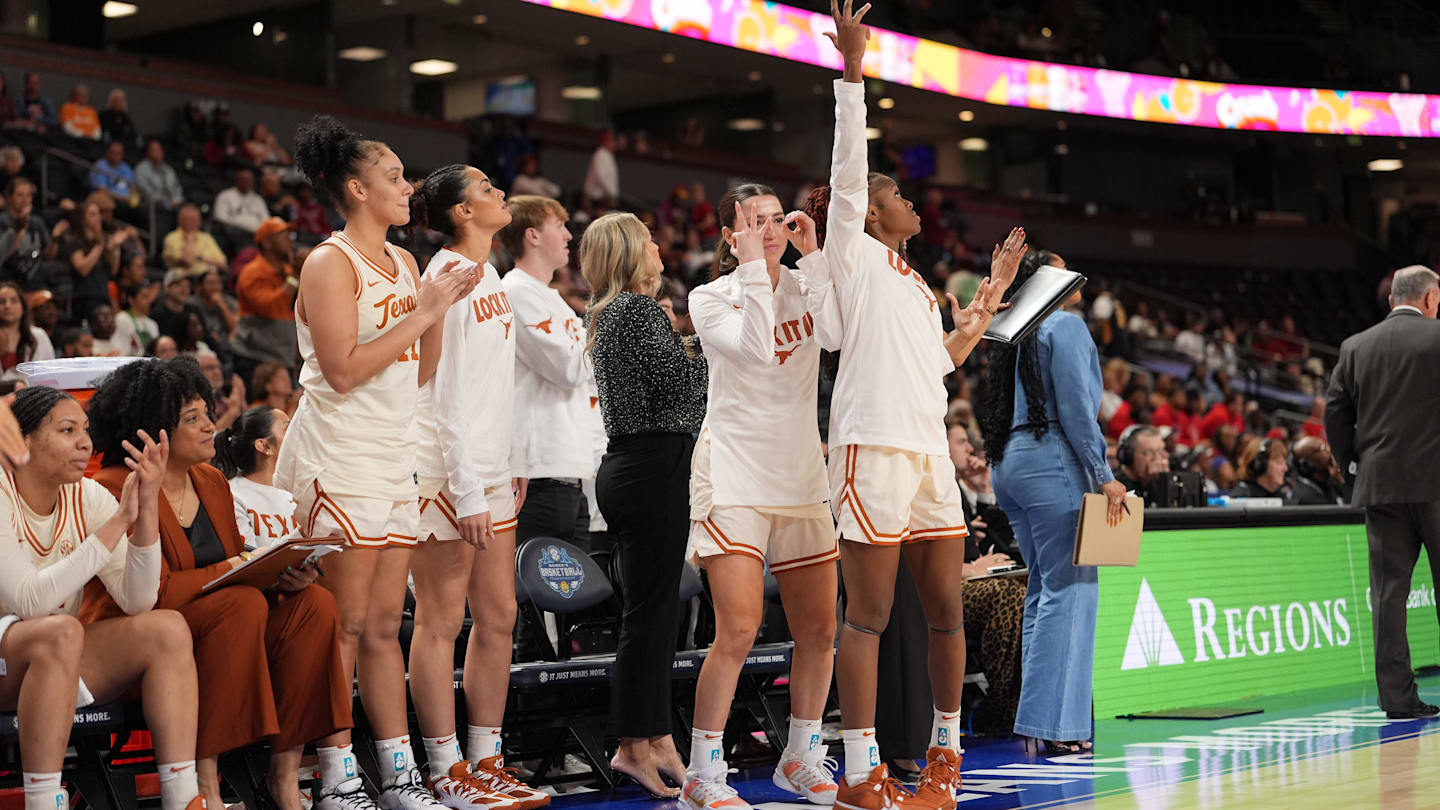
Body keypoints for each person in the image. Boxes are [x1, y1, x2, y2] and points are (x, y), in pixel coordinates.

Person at [795, 4, 1022, 805]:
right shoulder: (849, 252)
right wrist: (852, 78)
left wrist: (987, 302)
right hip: (869, 447)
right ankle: (861, 769)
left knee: (945, 613)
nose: (912, 203)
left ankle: (944, 758)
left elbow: (940, 366)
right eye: (899, 195)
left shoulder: (917, 283)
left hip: (927, 450)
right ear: (869, 213)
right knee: (869, 616)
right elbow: (849, 173)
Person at [273, 114, 476, 809]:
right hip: (339, 457)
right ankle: (335, 774)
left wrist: (439, 312)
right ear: (356, 189)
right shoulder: (328, 262)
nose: (407, 186)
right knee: (345, 624)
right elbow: (342, 370)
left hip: (394, 457)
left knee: (388, 625)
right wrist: (422, 313)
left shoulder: (409, 263)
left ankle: (398, 773)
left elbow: (418, 374)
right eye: (393, 176)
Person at [81, 357, 353, 810]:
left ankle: (284, 778)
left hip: (221, 631)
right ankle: (203, 786)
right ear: (155, 430)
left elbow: (236, 566)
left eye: (208, 412)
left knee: (314, 605)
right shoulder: (113, 487)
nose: (212, 425)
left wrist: (283, 573)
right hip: (138, 647)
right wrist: (236, 568)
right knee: (240, 606)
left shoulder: (210, 480)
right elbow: (155, 596)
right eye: (193, 418)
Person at [678, 185, 840, 810]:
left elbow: (833, 336)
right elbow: (754, 344)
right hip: (735, 473)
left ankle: (799, 755)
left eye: (776, 220)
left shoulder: (804, 283)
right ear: (729, 234)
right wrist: (752, 271)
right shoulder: (708, 296)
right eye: (753, 222)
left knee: (819, 629)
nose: (770, 231)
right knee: (739, 627)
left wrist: (816, 255)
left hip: (800, 473)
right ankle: (703, 772)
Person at [405, 165, 551, 807]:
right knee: (440, 620)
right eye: (488, 188)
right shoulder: (443, 278)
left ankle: (486, 756)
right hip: (446, 472)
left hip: (491, 468)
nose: (500, 194)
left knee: (499, 617)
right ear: (462, 212)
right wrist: (466, 490)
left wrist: (511, 456)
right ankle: (444, 768)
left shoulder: (487, 273)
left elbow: (495, 384)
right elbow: (441, 394)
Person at [0, 386, 208, 810]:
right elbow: (28, 602)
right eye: (67, 430)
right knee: (58, 632)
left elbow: (138, 600)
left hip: (58, 653)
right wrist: (116, 525)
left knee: (166, 628)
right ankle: (43, 803)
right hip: (12, 656)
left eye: (86, 430)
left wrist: (145, 509)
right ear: (23, 440)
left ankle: (183, 799)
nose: (85, 443)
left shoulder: (87, 494)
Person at [979, 248, 1125, 757]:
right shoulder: (1064, 326)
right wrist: (1104, 475)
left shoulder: (1011, 334)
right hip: (1051, 460)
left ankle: (1038, 722)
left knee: (1044, 590)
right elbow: (1078, 411)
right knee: (1072, 589)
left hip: (1009, 465)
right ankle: (1058, 728)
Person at [584, 210, 707, 798]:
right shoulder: (634, 312)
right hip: (651, 467)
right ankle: (635, 743)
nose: (660, 247)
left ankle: (655, 738)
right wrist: (715, 348)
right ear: (632, 252)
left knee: (654, 615)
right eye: (650, 240)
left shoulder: (615, 315)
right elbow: (684, 391)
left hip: (639, 467)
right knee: (648, 616)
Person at [1324, 265, 1440, 719]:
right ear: (1430, 300)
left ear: (1393, 301)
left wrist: (1352, 466)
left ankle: (1398, 700)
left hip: (1380, 484)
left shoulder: (1355, 346)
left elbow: (1335, 413)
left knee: (1389, 594)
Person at [497, 196, 591, 546]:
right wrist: (600, 336)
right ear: (533, 236)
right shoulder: (516, 291)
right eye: (559, 226)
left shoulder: (551, 298)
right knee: (534, 595)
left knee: (574, 595)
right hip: (538, 470)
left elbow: (582, 366)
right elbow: (569, 368)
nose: (569, 236)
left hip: (568, 467)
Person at [214, 406, 299, 550]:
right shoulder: (233, 495)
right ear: (264, 446)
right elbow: (248, 559)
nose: (298, 434)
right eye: (288, 428)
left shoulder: (297, 488)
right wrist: (301, 534)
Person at [232, 217, 299, 370]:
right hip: (254, 356)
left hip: (282, 355)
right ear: (267, 243)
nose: (289, 240)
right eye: (283, 236)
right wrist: (295, 278)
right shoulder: (252, 272)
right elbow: (269, 308)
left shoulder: (288, 271)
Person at [63, 201, 125, 324]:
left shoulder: (104, 240)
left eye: (98, 214)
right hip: (84, 298)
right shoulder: (75, 241)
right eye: (92, 214)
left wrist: (115, 248)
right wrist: (100, 245)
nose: (98, 218)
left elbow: (113, 270)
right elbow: (82, 269)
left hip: (103, 296)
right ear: (83, 218)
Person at [0, 179, 62, 291]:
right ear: (9, 198)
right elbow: (3, 253)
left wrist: (55, 239)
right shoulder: (3, 221)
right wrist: (20, 225)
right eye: (20, 195)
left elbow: (48, 256)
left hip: (36, 284)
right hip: (9, 285)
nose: (25, 200)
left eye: (28, 195)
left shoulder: (37, 222)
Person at [0, 282, 54, 379]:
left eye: (14, 301)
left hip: (32, 392)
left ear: (23, 307)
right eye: (2, 301)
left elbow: (51, 372)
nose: (7, 306)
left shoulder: (39, 336)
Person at [1113, 426, 1170, 507]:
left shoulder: (1155, 482)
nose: (1157, 458)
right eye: (1148, 452)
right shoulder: (1114, 486)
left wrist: (1164, 482)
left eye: (1160, 451)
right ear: (1129, 456)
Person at [1230, 437, 1295, 502]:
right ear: (1259, 465)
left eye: (1285, 463)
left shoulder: (1283, 496)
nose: (1285, 469)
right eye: (1279, 463)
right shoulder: (1240, 497)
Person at [1289, 436, 1348, 506]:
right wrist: (1341, 479)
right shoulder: (1308, 498)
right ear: (1309, 465)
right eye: (1323, 448)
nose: (1329, 450)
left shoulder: (1329, 483)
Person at [213, 168, 270, 237]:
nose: (246, 182)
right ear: (237, 180)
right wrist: (242, 225)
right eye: (243, 179)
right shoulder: (224, 196)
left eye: (249, 180)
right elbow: (220, 218)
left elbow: (266, 220)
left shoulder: (258, 199)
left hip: (257, 235)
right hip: (234, 235)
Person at [112, 281, 160, 357]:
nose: (148, 301)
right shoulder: (122, 318)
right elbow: (121, 350)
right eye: (144, 297)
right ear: (131, 299)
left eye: (149, 297)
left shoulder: (152, 324)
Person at [138, 140, 186, 212]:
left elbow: (177, 187)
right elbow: (145, 191)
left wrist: (176, 200)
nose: (158, 152)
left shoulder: (169, 169)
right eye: (155, 150)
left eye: (160, 150)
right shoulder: (141, 169)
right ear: (148, 153)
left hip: (174, 204)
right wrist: (165, 202)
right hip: (155, 205)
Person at [90, 141, 139, 206]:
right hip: (111, 199)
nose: (116, 156)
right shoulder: (100, 166)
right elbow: (101, 190)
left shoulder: (126, 167)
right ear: (108, 153)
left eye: (119, 153)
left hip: (128, 201)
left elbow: (133, 186)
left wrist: (134, 198)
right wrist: (124, 199)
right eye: (113, 153)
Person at [583, 131, 619, 207]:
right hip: (596, 197)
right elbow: (601, 176)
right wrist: (611, 193)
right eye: (612, 141)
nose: (614, 144)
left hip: (603, 197)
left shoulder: (608, 155)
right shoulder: (601, 154)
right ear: (606, 142)